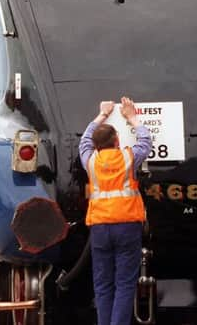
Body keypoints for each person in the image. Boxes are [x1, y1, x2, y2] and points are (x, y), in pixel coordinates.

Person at [79, 97, 152, 325]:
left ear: (97, 144)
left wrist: (102, 114)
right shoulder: (128, 157)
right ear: (117, 140)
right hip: (127, 226)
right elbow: (146, 141)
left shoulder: (90, 161)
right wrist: (131, 117)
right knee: (125, 283)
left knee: (102, 284)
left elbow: (84, 142)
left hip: (100, 228)